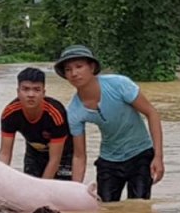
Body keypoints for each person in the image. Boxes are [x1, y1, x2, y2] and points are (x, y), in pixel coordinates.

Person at [54, 44, 164, 202]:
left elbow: (152, 113)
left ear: (92, 67)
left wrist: (158, 157)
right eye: (68, 70)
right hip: (109, 160)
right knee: (106, 211)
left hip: (140, 154)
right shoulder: (74, 111)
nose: (74, 73)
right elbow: (79, 156)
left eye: (79, 66)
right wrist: (75, 191)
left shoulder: (119, 85)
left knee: (139, 207)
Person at [0, 67, 74, 180]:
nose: (31, 94)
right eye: (26, 89)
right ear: (18, 92)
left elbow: (54, 159)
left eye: (36, 89)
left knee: (60, 191)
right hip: (34, 151)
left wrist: (41, 188)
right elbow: (4, 153)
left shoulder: (55, 114)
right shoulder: (10, 114)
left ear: (43, 93)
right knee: (28, 186)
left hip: (63, 153)